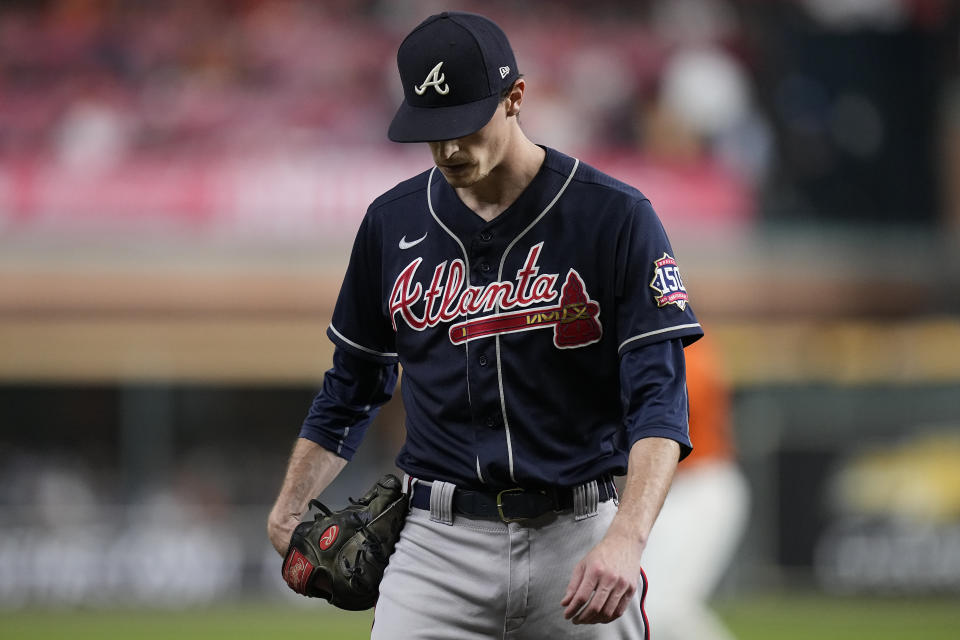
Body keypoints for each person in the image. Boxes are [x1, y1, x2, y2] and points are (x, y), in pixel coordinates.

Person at [267, 11, 703, 639]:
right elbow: (352, 385)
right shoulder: (391, 224)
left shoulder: (615, 216)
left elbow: (660, 398)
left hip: (577, 536)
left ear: (515, 98)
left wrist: (627, 539)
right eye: (430, 129)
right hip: (434, 544)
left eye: (463, 125)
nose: (448, 149)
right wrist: (289, 505)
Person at [640, 333, 751, 640]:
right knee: (641, 605)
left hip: (700, 485)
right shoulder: (652, 344)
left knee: (660, 609)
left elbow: (667, 416)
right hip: (669, 494)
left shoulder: (685, 346)